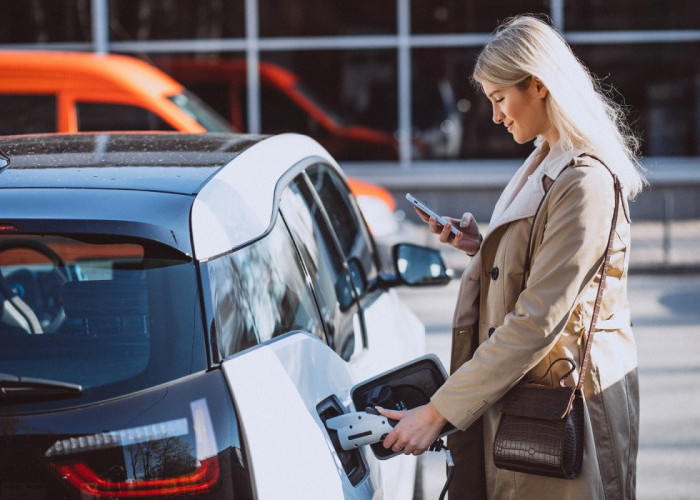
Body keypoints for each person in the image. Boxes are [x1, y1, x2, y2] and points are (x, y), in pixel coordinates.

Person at [377, 15, 644, 499]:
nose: (496, 116)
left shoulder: (584, 181)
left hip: (561, 408)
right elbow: (547, 269)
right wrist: (484, 247)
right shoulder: (547, 159)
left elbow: (537, 320)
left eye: (500, 99)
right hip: (530, 398)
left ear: (539, 85)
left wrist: (438, 412)